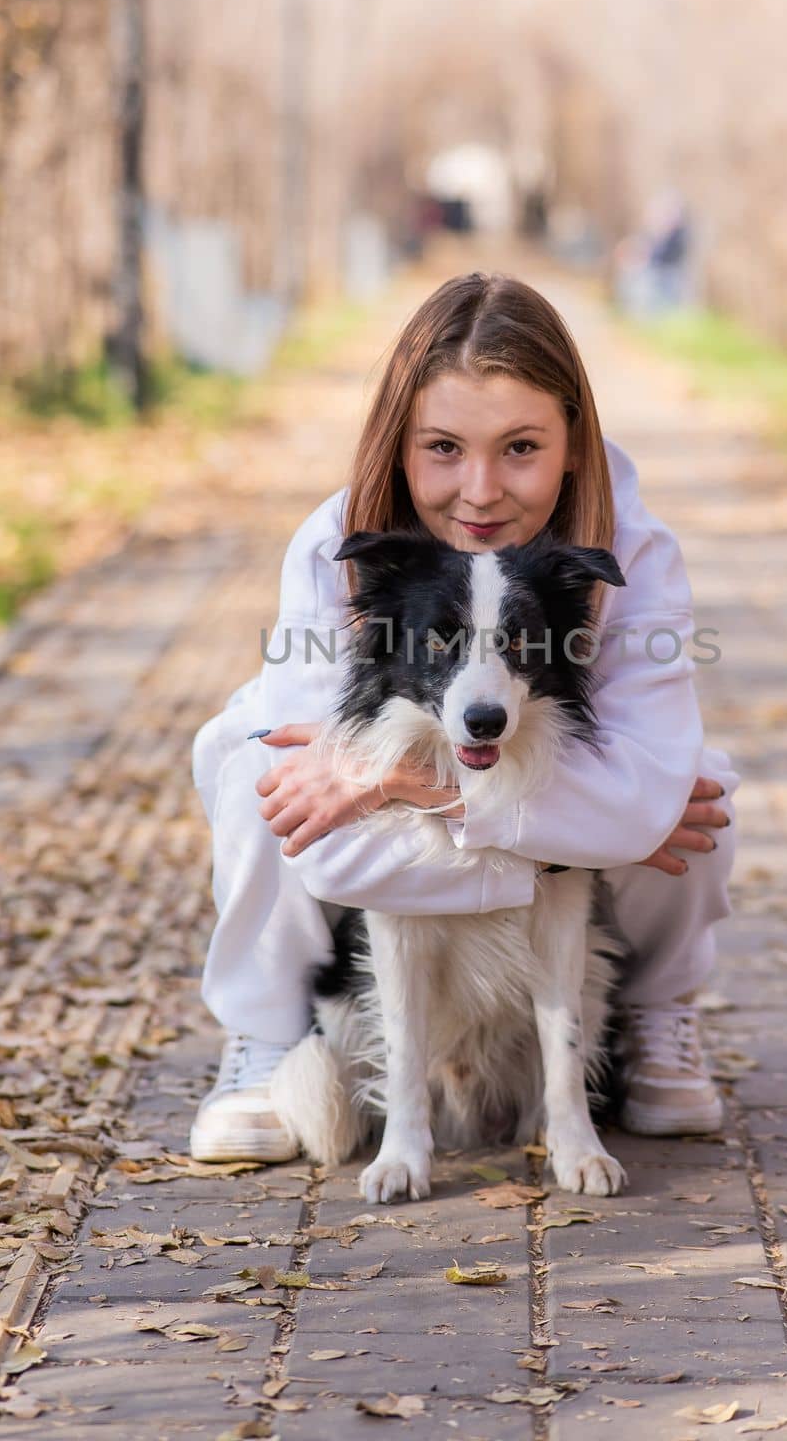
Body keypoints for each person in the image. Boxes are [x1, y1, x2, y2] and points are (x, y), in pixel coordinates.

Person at [189, 271, 740, 1162]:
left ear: (574, 442)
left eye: (519, 447)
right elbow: (325, 844)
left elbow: (648, 797)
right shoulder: (342, 547)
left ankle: (652, 1018)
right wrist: (578, 840)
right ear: (398, 446)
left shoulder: (630, 549)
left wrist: (398, 783)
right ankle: (265, 1037)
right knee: (244, 750)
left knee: (700, 787)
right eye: (444, 447)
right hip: (457, 877)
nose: (479, 491)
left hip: (512, 831)